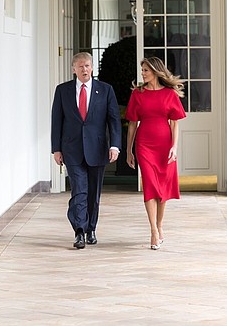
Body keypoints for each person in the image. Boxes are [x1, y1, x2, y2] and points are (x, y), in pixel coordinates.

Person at [51, 52, 122, 249]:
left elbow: (114, 120)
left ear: (92, 68)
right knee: (79, 191)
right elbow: (56, 120)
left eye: (88, 66)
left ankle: (91, 228)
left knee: (93, 193)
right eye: (80, 66)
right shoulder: (62, 91)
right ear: (74, 69)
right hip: (71, 149)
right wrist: (56, 148)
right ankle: (79, 231)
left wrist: (114, 145)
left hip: (97, 149)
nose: (85, 70)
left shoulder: (105, 90)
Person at [125, 57, 186, 250]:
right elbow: (132, 124)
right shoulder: (138, 94)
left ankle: (160, 225)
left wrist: (174, 147)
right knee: (150, 186)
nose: (142, 73)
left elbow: (175, 123)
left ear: (155, 71)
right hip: (144, 145)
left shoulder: (169, 94)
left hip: (165, 146)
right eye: (142, 70)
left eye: (145, 70)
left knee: (162, 190)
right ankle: (152, 230)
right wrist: (129, 150)